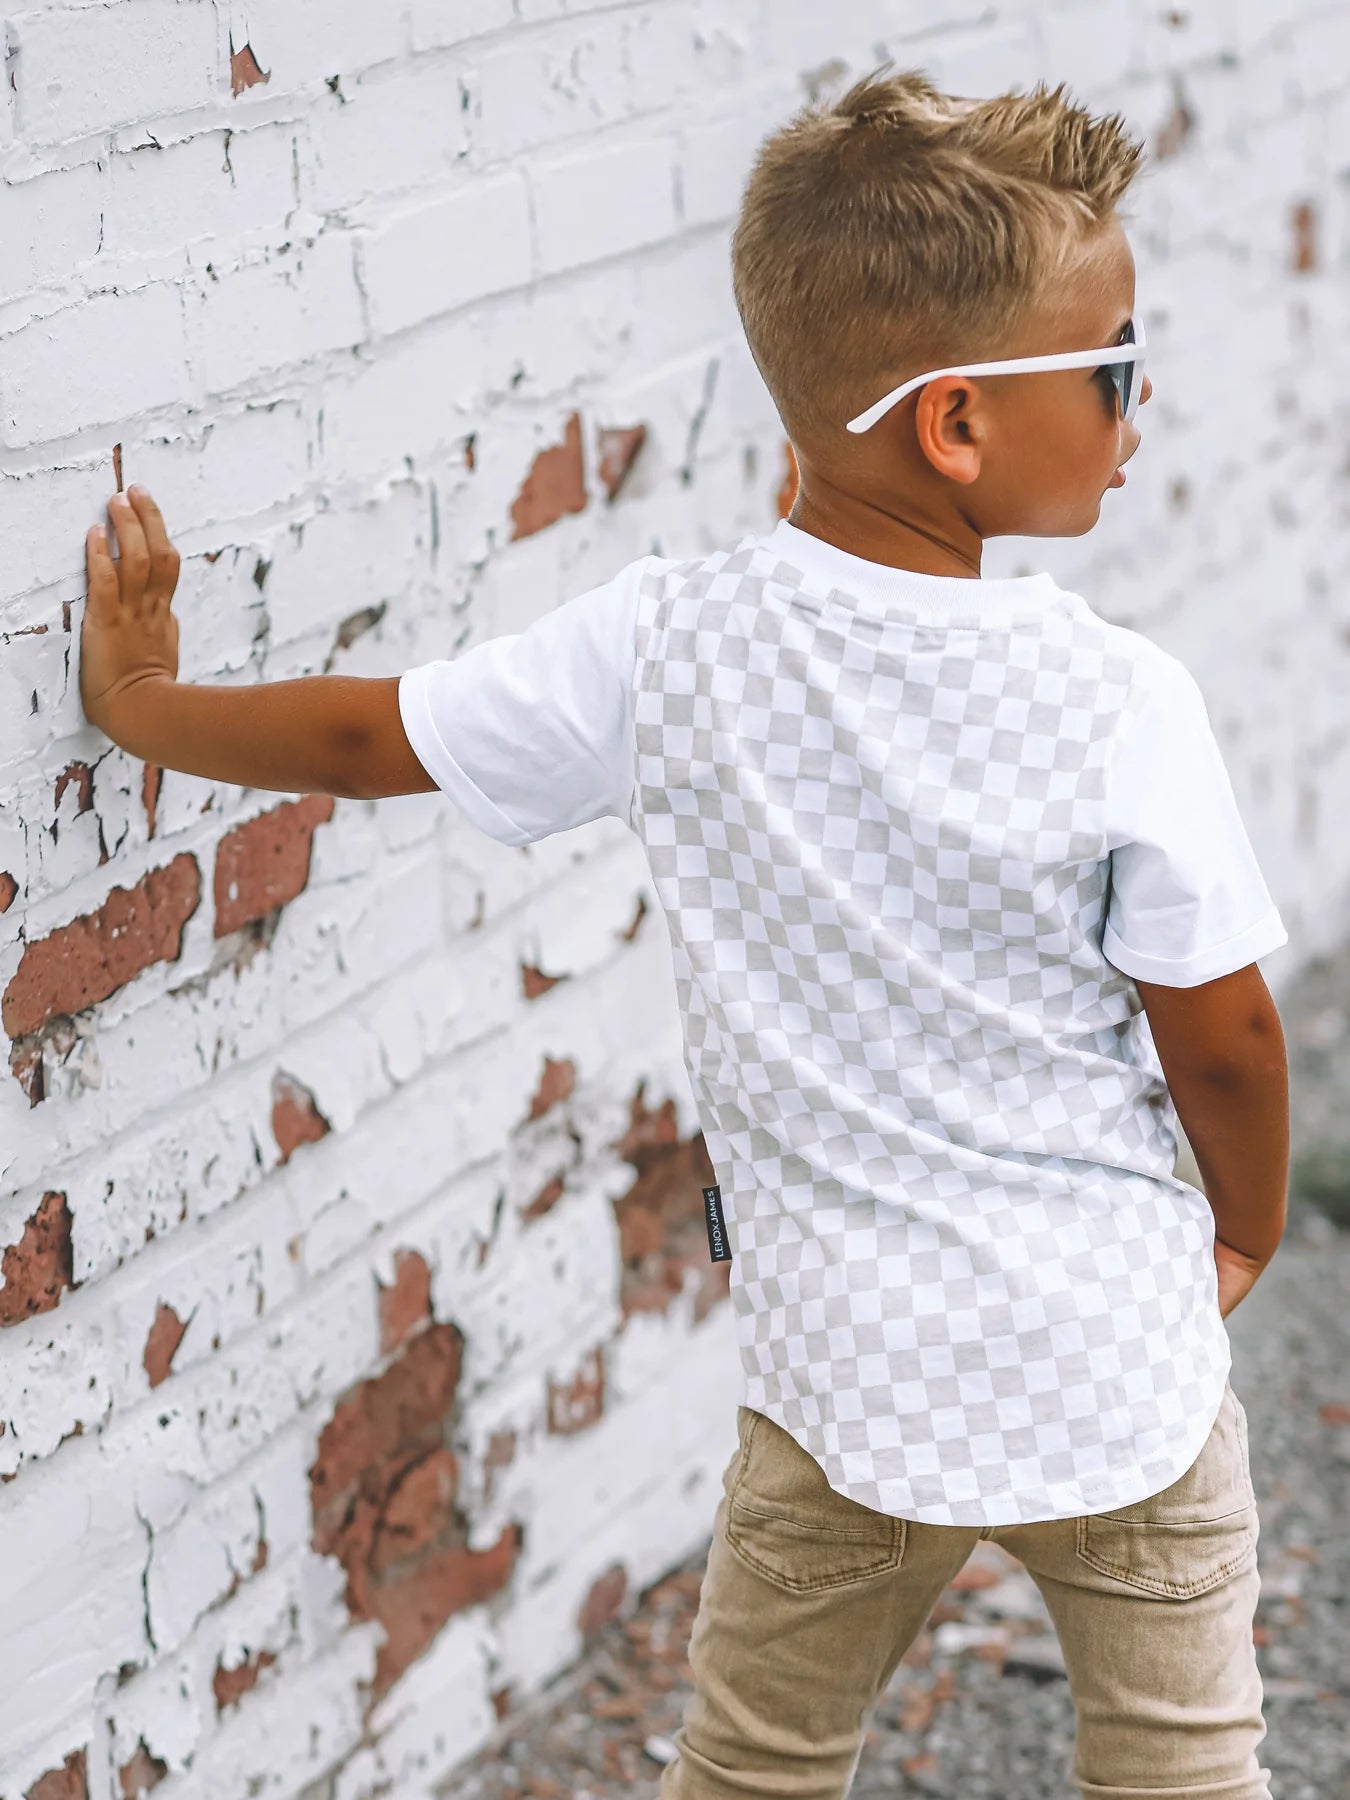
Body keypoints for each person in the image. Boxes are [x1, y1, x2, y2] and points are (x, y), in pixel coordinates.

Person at [80, 68, 1290, 1800]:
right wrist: (1240, 1229)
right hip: (1121, 1376)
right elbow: (1224, 1031)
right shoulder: (1117, 699)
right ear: (955, 424)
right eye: (1108, 370)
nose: (1137, 403)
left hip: (845, 1390)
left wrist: (144, 701)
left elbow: (375, 738)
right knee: (1182, 1769)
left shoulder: (669, 651)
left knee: (755, 1767)